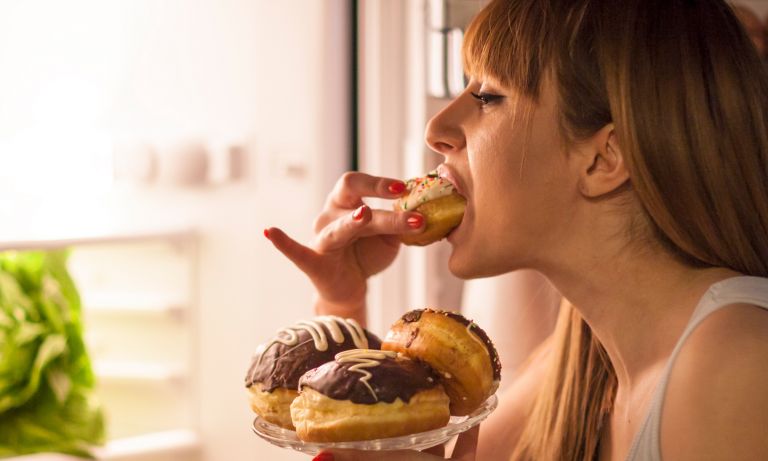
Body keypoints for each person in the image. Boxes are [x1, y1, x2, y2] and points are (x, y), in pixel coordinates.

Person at [264, 0, 768, 459]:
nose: (435, 130)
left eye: (486, 96)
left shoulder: (736, 364)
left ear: (603, 159)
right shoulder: (583, 362)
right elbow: (389, 439)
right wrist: (342, 302)